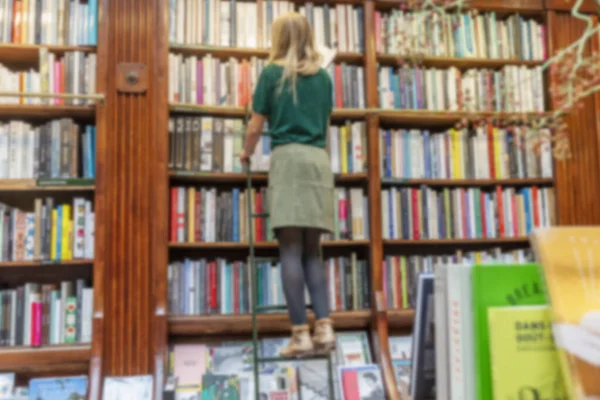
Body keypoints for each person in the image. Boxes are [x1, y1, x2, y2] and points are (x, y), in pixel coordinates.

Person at [240, 12, 335, 358]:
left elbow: (254, 128)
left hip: (289, 160)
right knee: (314, 251)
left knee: (291, 250)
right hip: (318, 163)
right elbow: (325, 128)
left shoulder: (271, 73)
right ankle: (323, 329)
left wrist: (245, 153)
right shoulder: (324, 78)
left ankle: (299, 335)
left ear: (278, 38)